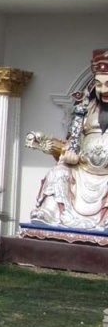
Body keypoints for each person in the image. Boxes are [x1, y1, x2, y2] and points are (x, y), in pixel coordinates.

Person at [32, 49, 108, 229]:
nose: (104, 89)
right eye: (99, 84)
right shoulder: (84, 110)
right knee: (58, 173)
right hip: (83, 170)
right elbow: (72, 143)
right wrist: (58, 149)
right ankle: (49, 212)